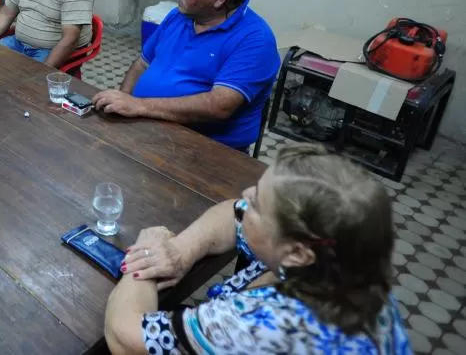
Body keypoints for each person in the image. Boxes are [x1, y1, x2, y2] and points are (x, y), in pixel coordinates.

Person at [104, 144, 410, 355]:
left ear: (297, 253)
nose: (245, 194)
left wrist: (146, 251)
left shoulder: (271, 322)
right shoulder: (340, 263)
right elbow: (231, 213)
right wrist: (180, 250)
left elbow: (125, 338)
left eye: (258, 203)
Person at [93, 0, 279, 151]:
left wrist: (139, 106)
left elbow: (219, 106)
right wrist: (122, 103)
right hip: (148, 128)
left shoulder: (255, 39)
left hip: (206, 149)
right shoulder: (179, 16)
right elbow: (141, 65)